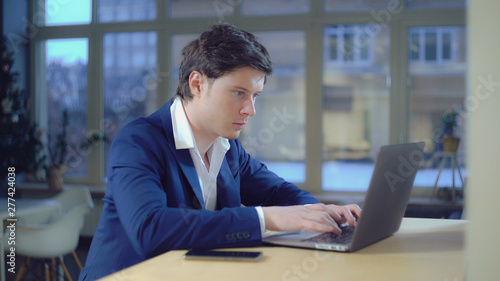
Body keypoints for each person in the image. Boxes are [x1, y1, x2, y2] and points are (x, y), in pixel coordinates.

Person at [79, 23, 361, 280]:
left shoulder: (228, 147)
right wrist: (266, 218)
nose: (250, 110)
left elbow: (278, 192)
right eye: (239, 93)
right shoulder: (139, 141)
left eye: (255, 96)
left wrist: (321, 212)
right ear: (197, 84)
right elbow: (151, 228)